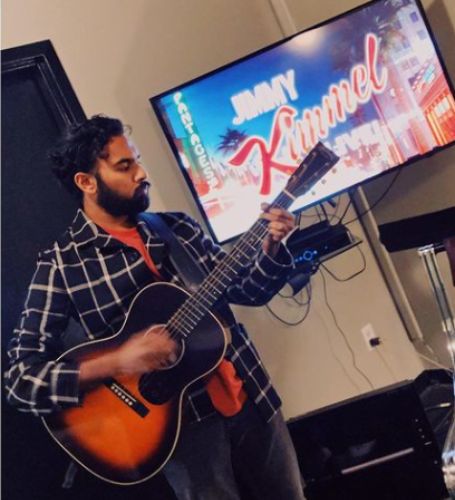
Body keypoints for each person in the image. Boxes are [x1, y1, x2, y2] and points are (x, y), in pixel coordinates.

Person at [4, 115, 305, 500]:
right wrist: (118, 361)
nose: (141, 173)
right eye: (124, 166)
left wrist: (272, 247)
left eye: (138, 161)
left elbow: (249, 290)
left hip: (252, 396)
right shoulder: (62, 266)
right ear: (86, 182)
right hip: (183, 432)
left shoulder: (176, 228)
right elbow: (20, 381)